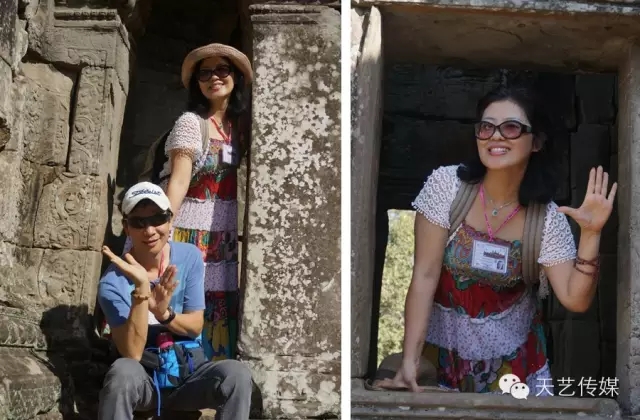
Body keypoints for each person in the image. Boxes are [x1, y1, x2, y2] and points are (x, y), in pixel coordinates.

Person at [388, 85, 616, 394]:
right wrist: (410, 361)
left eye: (511, 127)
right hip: (441, 356)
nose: (495, 136)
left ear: (536, 142)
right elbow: (424, 276)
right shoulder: (447, 187)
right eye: (487, 127)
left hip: (516, 368)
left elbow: (575, 299)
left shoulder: (547, 219)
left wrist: (591, 233)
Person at [97, 182, 252, 420]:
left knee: (236, 374)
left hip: (188, 374)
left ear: (170, 221)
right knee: (121, 372)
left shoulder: (188, 256)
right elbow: (132, 353)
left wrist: (164, 315)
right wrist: (141, 290)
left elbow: (195, 326)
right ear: (126, 227)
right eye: (139, 222)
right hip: (144, 380)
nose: (149, 230)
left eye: (157, 219)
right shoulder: (112, 283)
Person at [155, 43, 252, 361]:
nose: (214, 78)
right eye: (205, 73)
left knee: (219, 304)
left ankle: (214, 371)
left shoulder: (241, 127)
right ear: (197, 83)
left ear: (236, 76)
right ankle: (176, 370)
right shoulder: (190, 123)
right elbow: (179, 181)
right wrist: (162, 229)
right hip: (187, 232)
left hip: (222, 237)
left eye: (222, 69)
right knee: (186, 299)